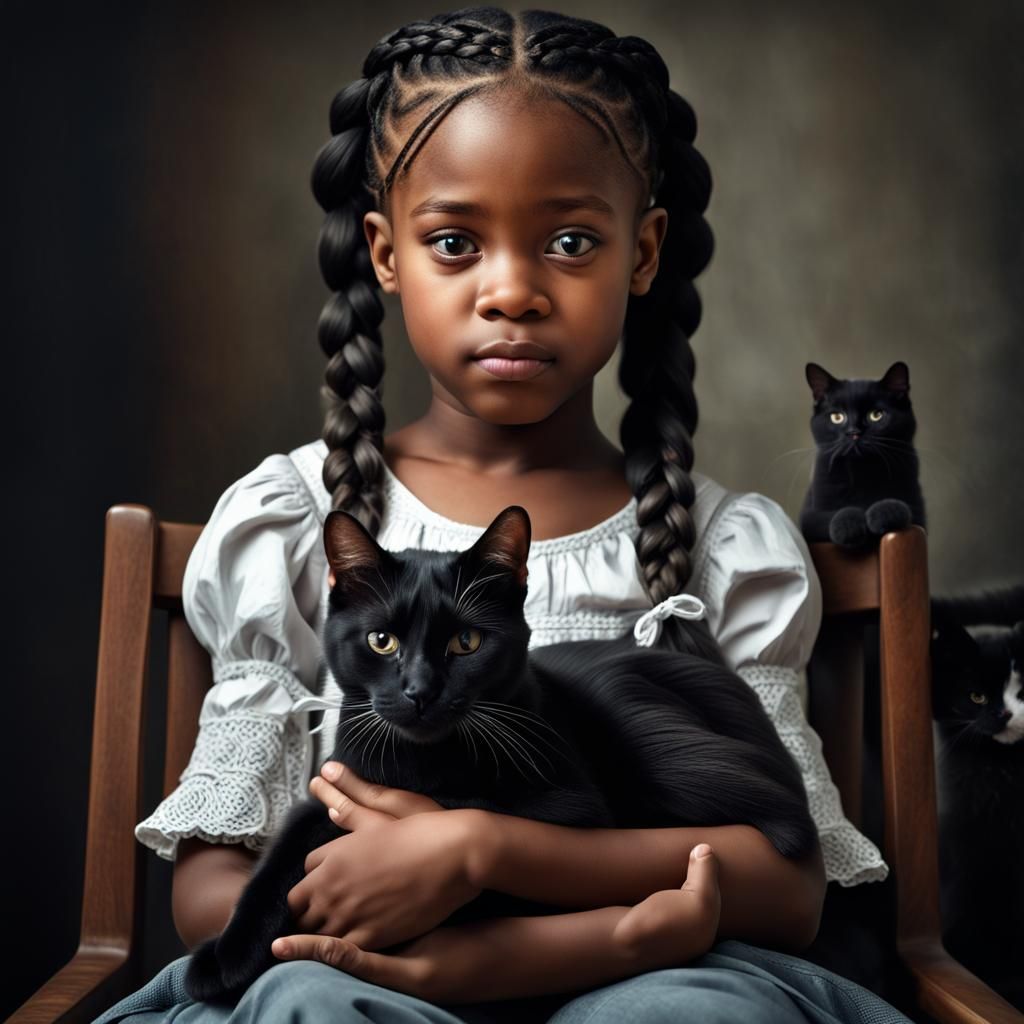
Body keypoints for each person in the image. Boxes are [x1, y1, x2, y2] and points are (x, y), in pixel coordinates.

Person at [95, 7, 908, 1023]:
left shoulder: (724, 547)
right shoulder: (293, 520)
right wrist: (390, 915)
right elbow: (213, 897)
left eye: (569, 241)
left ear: (643, 253)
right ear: (385, 255)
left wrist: (484, 856)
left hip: (650, 976)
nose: (511, 291)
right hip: (363, 969)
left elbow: (785, 890)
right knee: (304, 998)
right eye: (453, 242)